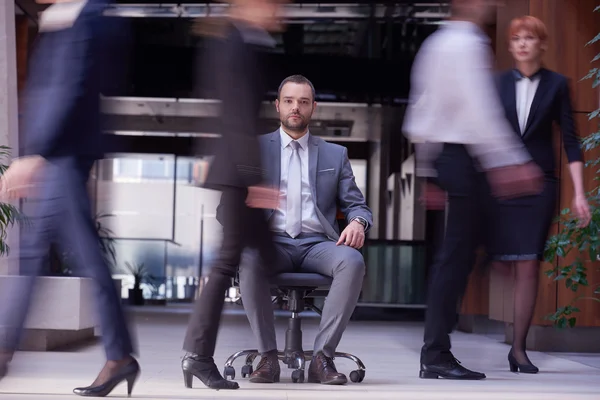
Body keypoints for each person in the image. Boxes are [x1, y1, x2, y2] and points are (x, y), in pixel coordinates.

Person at [0, 0, 139, 397]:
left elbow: (73, 87)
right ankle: (119, 356)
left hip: (64, 154)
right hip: (57, 153)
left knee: (71, 257)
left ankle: (117, 356)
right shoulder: (65, 18)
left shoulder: (91, 17)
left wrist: (38, 153)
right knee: (38, 256)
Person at [403, 0, 544, 380]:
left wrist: (430, 169)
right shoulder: (467, 44)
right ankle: (435, 353)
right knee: (457, 257)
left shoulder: (436, 42)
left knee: (460, 255)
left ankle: (437, 349)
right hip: (465, 158)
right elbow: (479, 112)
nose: (490, 4)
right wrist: (514, 161)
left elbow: (421, 112)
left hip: (452, 158)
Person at [229, 75, 372, 386]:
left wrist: (358, 222)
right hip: (272, 242)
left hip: (318, 244)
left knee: (353, 261)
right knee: (250, 257)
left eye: (304, 102)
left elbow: (357, 206)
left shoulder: (336, 154)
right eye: (290, 101)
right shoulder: (254, 148)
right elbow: (229, 205)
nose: (296, 107)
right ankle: (268, 356)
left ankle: (322, 357)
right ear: (278, 106)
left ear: (313, 108)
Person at [180, 0, 285, 391]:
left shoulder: (236, 41)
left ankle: (213, 354)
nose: (280, 14)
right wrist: (256, 178)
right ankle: (201, 355)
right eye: (276, 6)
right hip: (241, 173)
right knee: (231, 264)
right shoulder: (236, 43)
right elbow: (239, 116)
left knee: (262, 259)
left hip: (237, 169)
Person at [488, 15, 590, 374]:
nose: (522, 44)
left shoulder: (558, 84)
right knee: (503, 262)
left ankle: (518, 349)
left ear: (541, 45)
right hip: (501, 185)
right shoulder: (497, 84)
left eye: (530, 38)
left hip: (540, 186)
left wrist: (580, 194)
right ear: (512, 45)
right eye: (517, 38)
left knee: (528, 265)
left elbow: (572, 141)